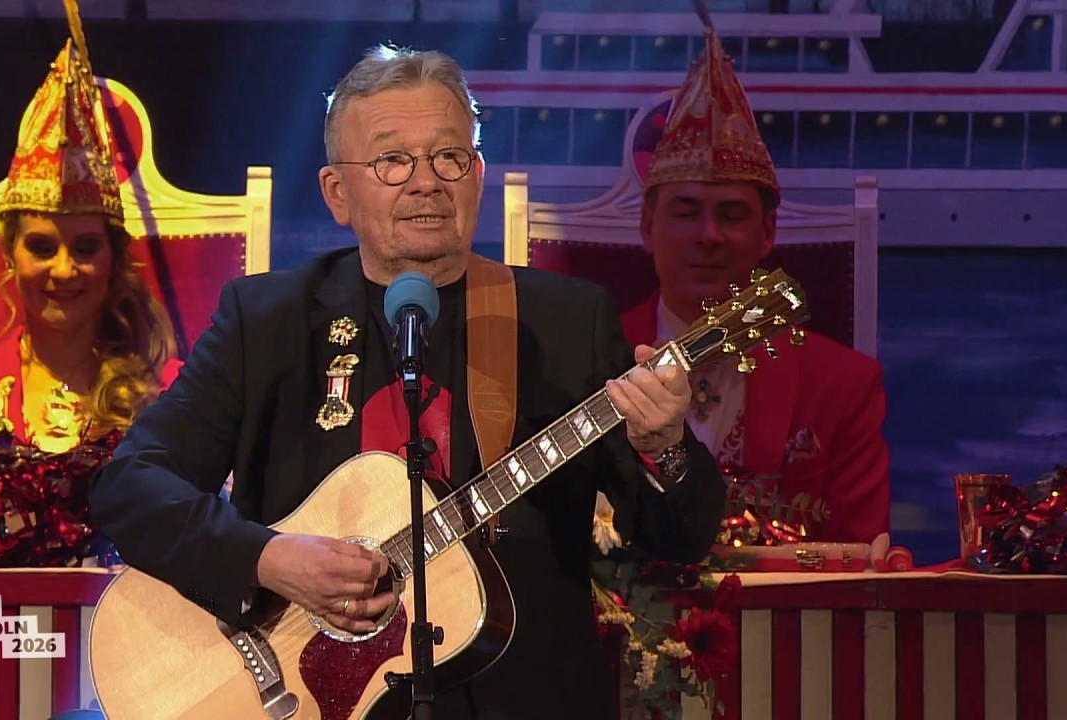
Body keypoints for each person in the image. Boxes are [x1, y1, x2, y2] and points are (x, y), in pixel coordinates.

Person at [89, 45, 726, 719]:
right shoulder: (267, 322)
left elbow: (680, 539)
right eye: (393, 161)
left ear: (477, 175)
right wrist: (268, 560)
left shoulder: (564, 322)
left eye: (449, 157)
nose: (426, 182)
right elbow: (130, 488)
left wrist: (666, 446)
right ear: (338, 192)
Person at [638, 17, 890, 542]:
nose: (708, 235)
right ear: (647, 227)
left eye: (731, 214)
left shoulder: (843, 387)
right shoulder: (586, 361)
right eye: (686, 212)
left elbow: (864, 568)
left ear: (767, 233)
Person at [0, 6, 180, 455]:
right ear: (9, 254)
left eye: (86, 247)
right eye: (42, 247)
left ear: (113, 260)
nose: (64, 269)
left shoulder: (173, 397)